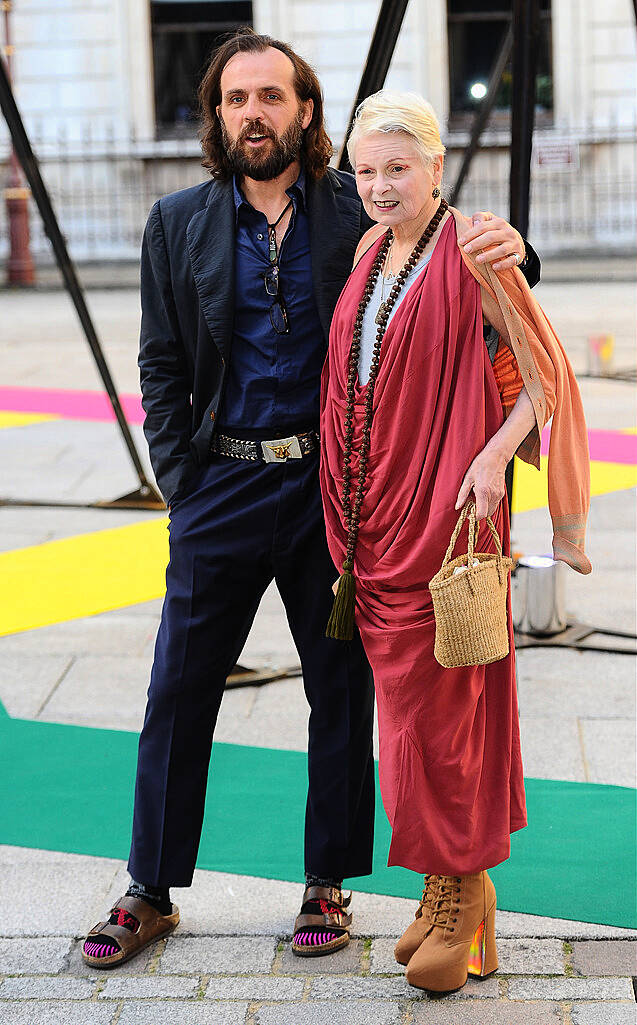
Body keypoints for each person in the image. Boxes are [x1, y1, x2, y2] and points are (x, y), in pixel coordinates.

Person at [82, 32, 542, 969]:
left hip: (335, 496)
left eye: (271, 96)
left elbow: (459, 272)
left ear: (304, 109)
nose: (254, 113)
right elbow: (161, 363)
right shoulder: (174, 223)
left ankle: (327, 882)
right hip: (218, 486)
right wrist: (182, 481)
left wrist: (516, 250)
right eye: (235, 99)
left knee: (339, 688)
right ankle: (150, 888)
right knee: (177, 688)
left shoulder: (359, 204)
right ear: (217, 115)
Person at [320, 90, 591, 992]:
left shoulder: (474, 249)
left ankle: (458, 893)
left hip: (445, 515)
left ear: (435, 168)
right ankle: (452, 890)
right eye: (365, 169)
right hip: (372, 521)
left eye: (398, 166)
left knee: (447, 717)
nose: (380, 184)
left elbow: (545, 373)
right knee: (404, 723)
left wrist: (490, 457)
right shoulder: (367, 248)